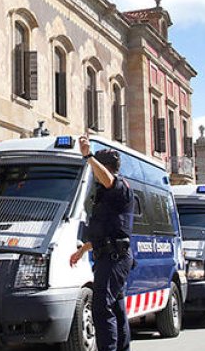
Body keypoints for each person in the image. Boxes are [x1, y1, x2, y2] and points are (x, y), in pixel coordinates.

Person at [69, 136, 134, 351]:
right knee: (115, 306)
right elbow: (103, 232)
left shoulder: (119, 186)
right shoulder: (106, 194)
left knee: (101, 306)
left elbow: (108, 179)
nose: (94, 174)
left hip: (115, 258)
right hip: (108, 254)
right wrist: (82, 251)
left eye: (97, 167)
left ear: (105, 167)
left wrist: (88, 156)